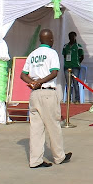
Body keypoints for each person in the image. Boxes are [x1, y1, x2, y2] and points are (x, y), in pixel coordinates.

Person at [21, 29, 71, 168]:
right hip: (47, 92)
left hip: (34, 94)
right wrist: (41, 82)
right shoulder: (51, 53)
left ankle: (35, 160)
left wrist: (33, 82)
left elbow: (23, 74)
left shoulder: (32, 54)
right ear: (50, 40)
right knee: (53, 125)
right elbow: (54, 72)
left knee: (36, 128)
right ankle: (59, 156)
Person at [62, 32, 84, 103]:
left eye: (73, 36)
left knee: (75, 83)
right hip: (67, 67)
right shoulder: (65, 46)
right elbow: (64, 55)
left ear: (75, 37)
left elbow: (82, 56)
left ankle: (77, 99)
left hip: (75, 67)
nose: (71, 38)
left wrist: (77, 62)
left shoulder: (78, 46)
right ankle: (68, 99)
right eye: (70, 36)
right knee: (68, 83)